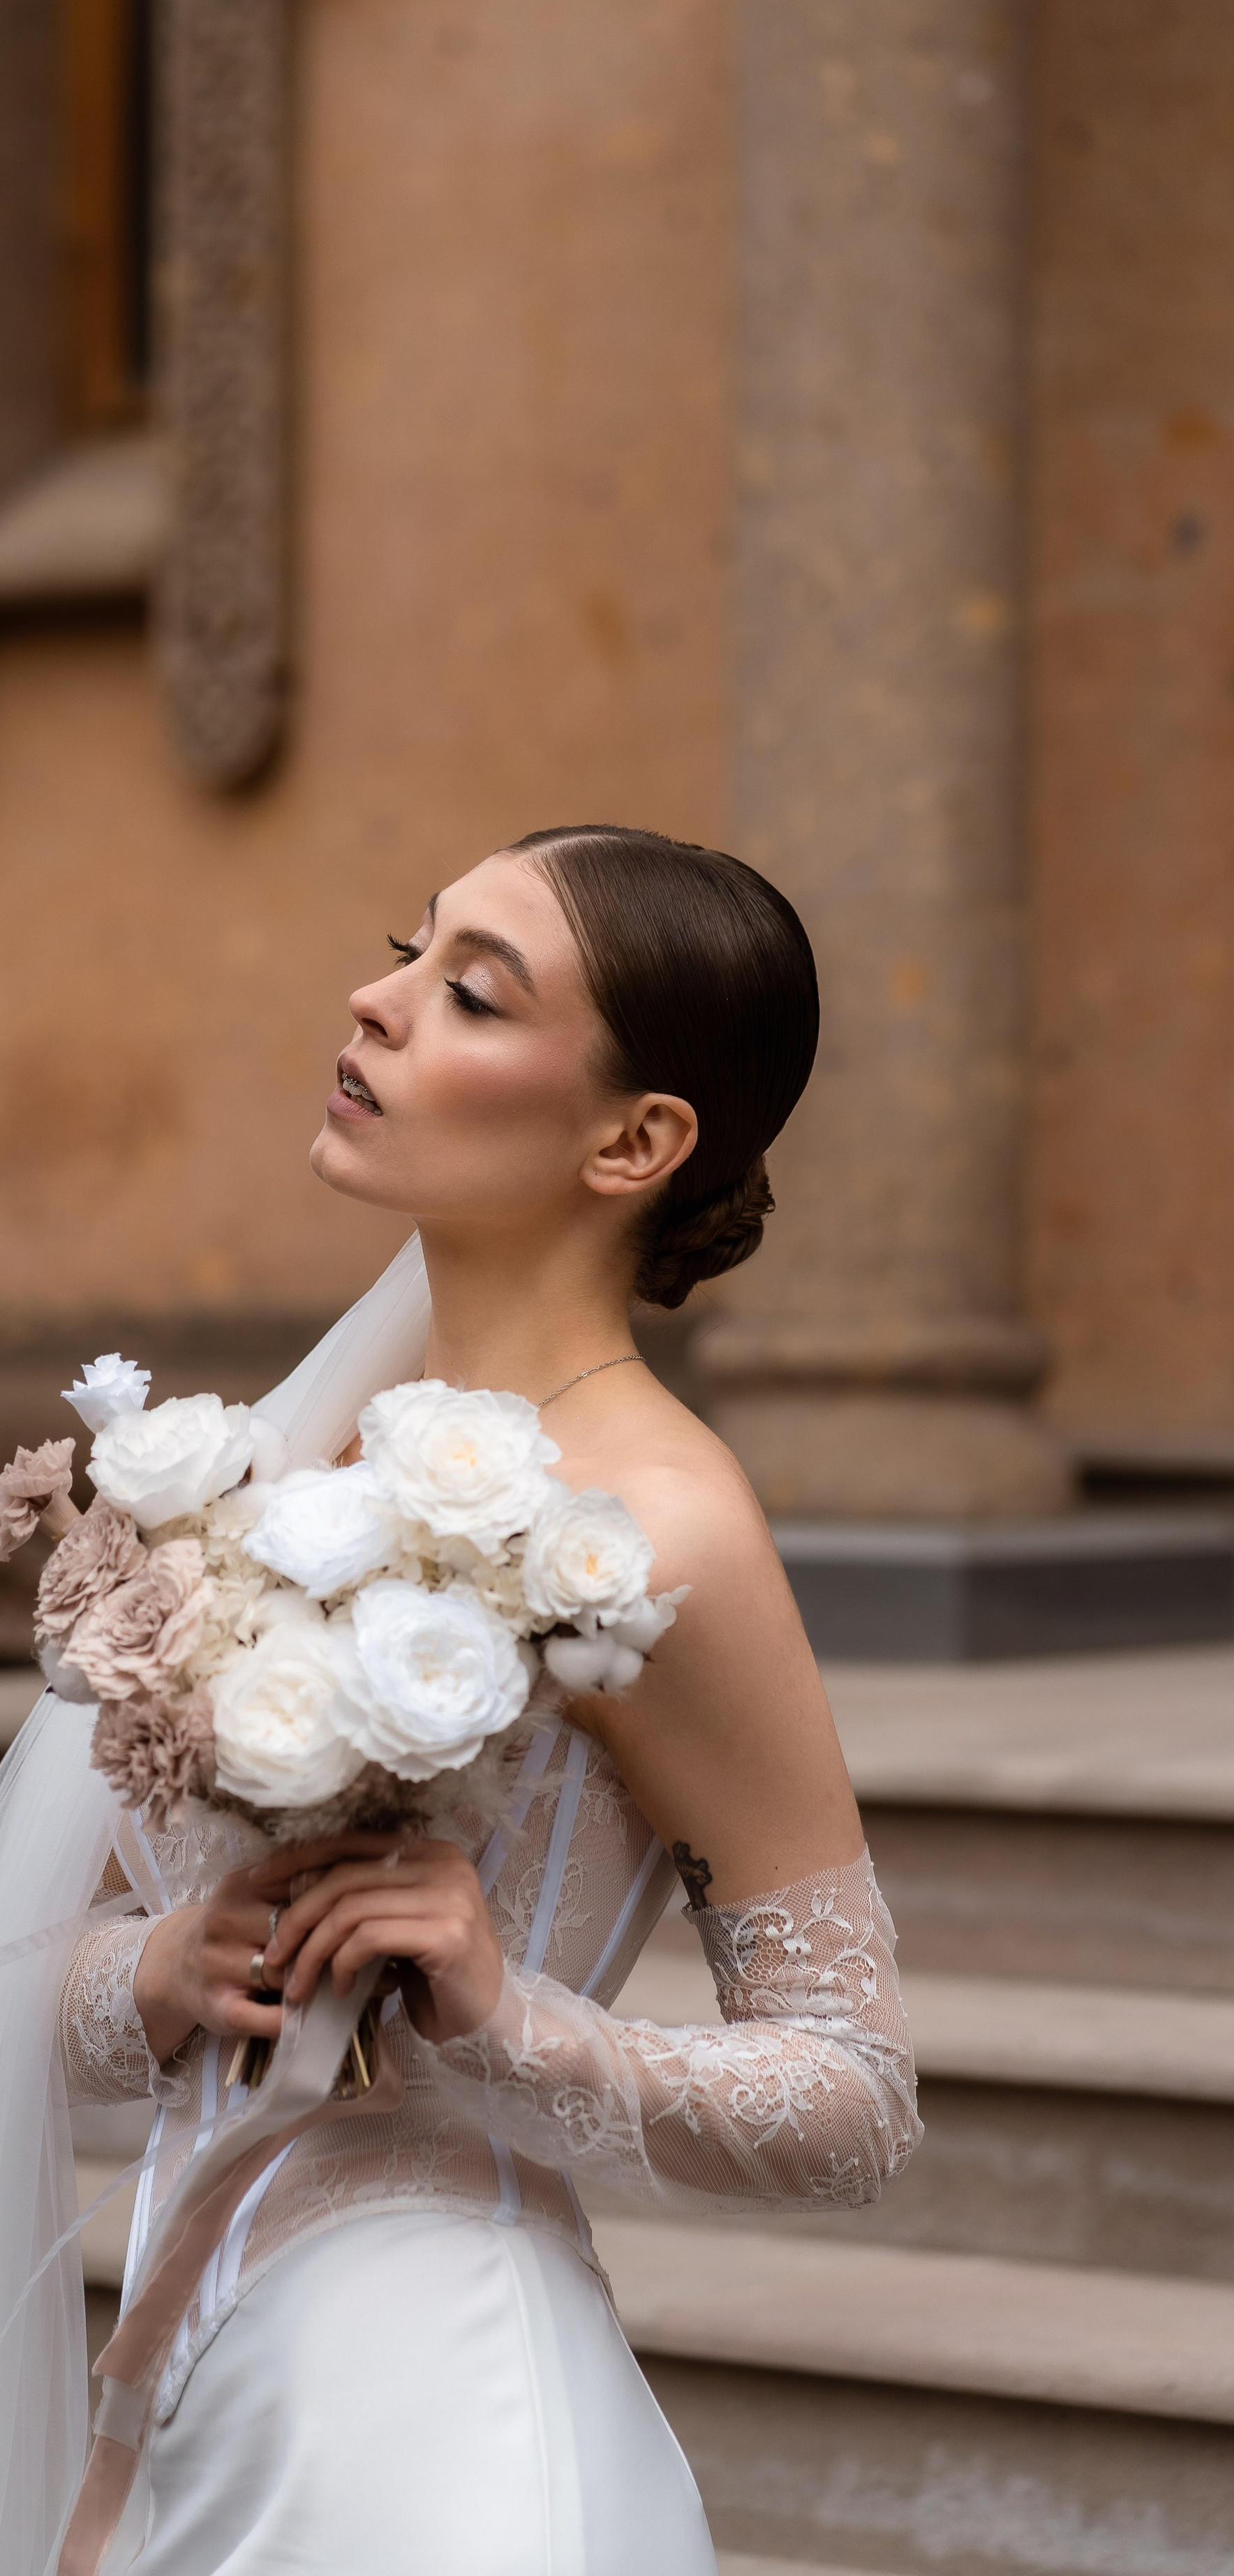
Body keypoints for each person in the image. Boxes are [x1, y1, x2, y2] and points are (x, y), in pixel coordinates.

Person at [59, 823, 921, 2575]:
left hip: (436, 2430)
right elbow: (41, 1971)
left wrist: (498, 2010)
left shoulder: (661, 1530)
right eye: (404, 949)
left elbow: (853, 2096)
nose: (373, 1006)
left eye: (466, 992)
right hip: (200, 2373)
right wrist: (157, 1972)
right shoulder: (282, 1476)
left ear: (636, 1138)